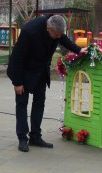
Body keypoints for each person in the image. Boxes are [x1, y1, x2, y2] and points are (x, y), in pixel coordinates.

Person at [7, 14, 86, 152]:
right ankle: (22, 138)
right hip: (24, 71)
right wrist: (17, 82)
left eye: (60, 34)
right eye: (55, 34)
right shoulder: (29, 31)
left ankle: (35, 136)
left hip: (41, 71)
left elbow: (64, 39)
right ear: (48, 28)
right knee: (22, 104)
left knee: (39, 103)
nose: (57, 37)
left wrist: (78, 50)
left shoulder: (56, 27)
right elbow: (17, 57)